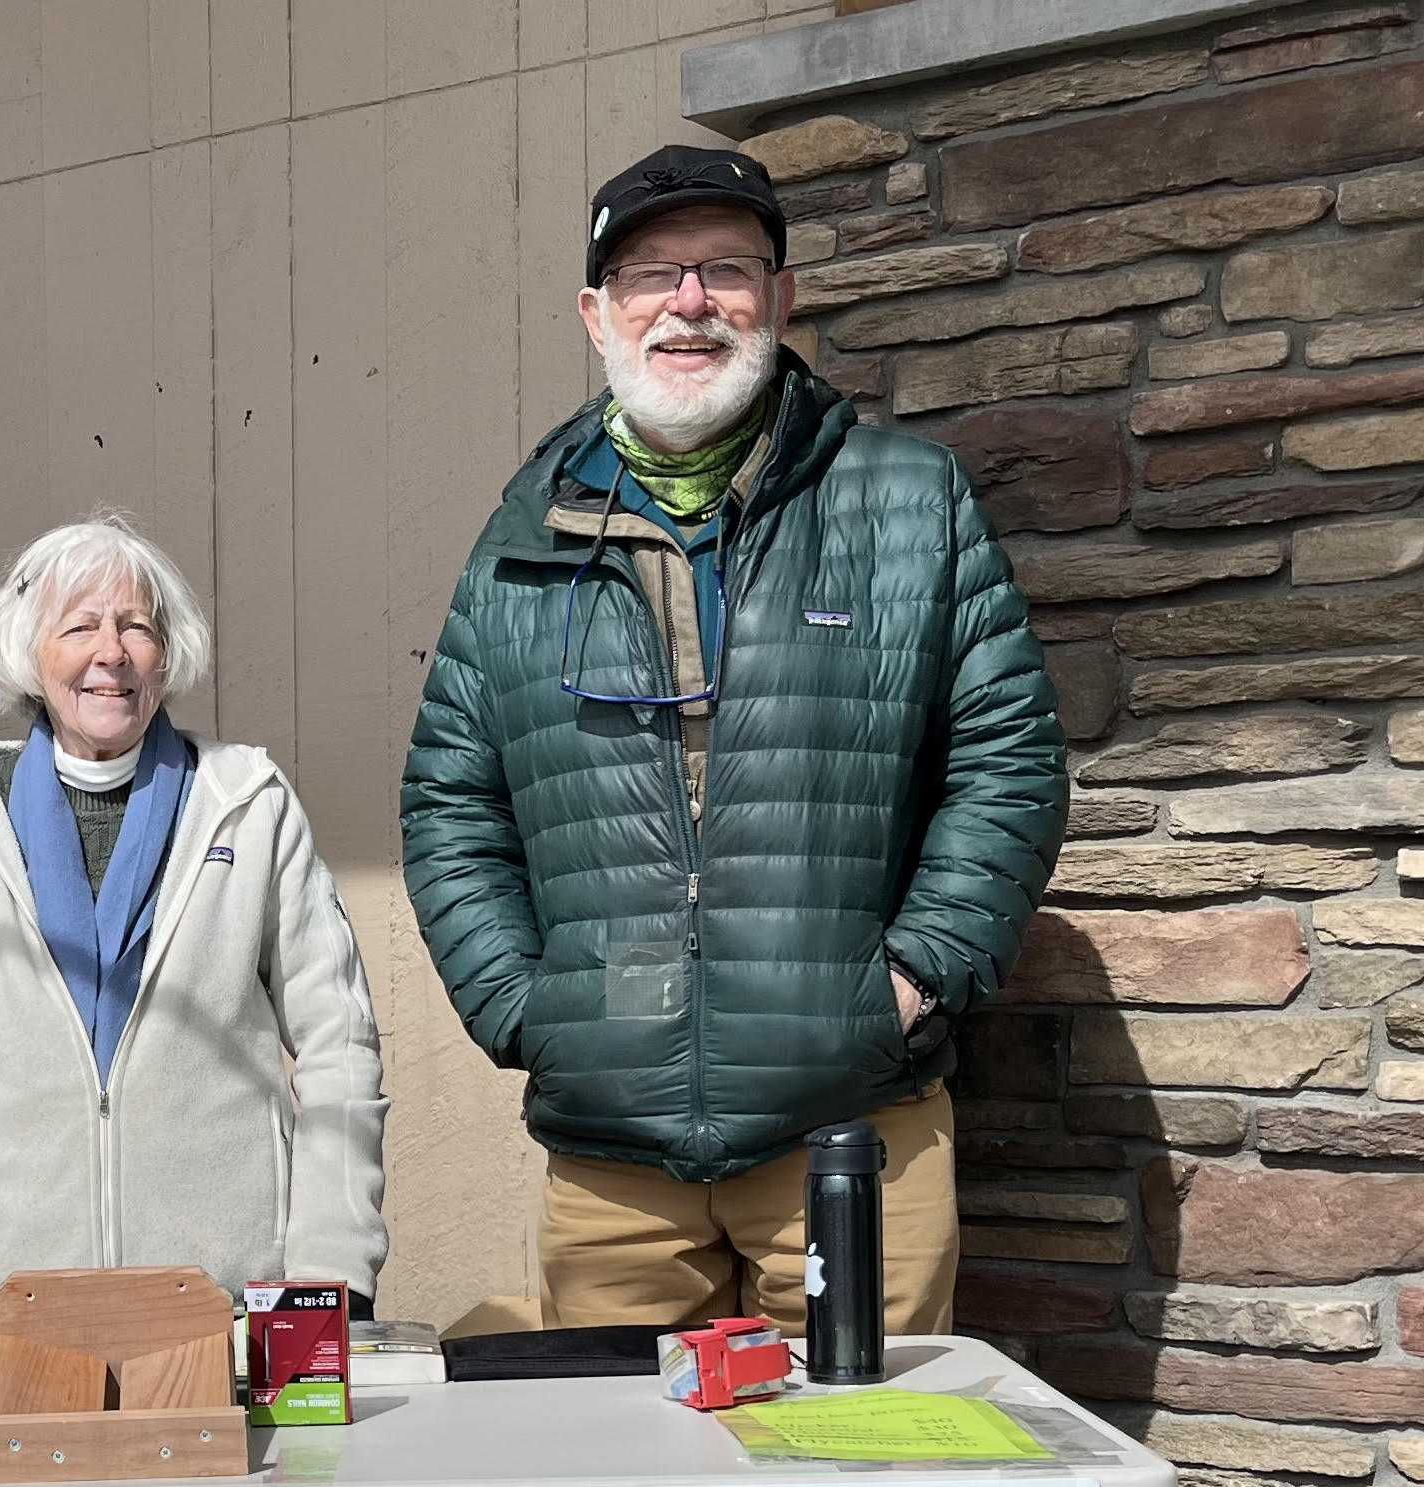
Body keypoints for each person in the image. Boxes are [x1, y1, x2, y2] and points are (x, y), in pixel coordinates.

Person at [399, 145, 1067, 1333]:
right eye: (653, 274)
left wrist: (908, 983)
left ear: (782, 296)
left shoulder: (910, 500)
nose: (691, 303)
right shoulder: (522, 536)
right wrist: (522, 1005)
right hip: (613, 1151)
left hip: (852, 1128)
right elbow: (453, 801)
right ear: (596, 315)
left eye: (725, 268)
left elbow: (1006, 759)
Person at [0, 511, 389, 1356]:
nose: (110, 653)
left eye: (136, 627)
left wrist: (333, 1266)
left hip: (226, 1306)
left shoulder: (248, 801)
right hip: (25, 1308)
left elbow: (340, 1041)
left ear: (168, 651)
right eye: (79, 626)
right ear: (29, 652)